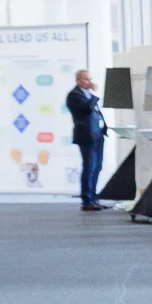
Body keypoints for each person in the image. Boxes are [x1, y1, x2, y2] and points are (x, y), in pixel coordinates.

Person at [66, 69, 109, 211]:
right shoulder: (74, 95)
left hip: (97, 135)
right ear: (78, 80)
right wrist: (94, 97)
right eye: (86, 79)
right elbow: (86, 108)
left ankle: (93, 197)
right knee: (89, 167)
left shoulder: (89, 94)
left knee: (98, 166)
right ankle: (87, 200)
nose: (89, 82)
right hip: (86, 136)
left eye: (90, 79)